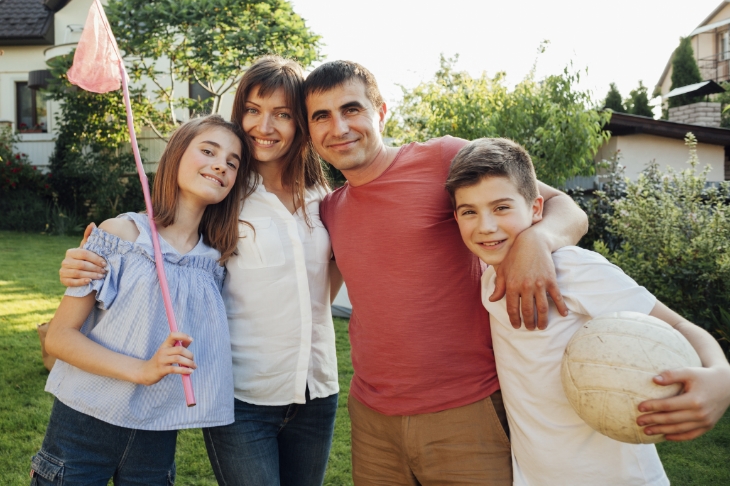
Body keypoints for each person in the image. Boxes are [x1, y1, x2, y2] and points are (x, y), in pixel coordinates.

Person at [59, 56, 341, 486]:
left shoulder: (325, 198)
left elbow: (332, 269)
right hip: (245, 390)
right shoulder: (225, 197)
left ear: (299, 121)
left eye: (282, 114)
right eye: (253, 109)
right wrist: (86, 259)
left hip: (317, 386)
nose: (265, 126)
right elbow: (162, 238)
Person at [302, 61, 588, 484]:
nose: (339, 127)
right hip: (372, 419)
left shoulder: (442, 158)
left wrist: (536, 241)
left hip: (466, 411)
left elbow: (566, 207)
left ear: (380, 113)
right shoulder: (328, 209)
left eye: (351, 109)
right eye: (321, 116)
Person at [446, 137, 730, 485]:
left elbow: (678, 325)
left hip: (618, 477)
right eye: (469, 212)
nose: (486, 226)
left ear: (536, 208)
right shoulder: (488, 281)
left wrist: (721, 374)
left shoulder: (571, 268)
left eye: (502, 208)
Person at [32, 115, 250, 485]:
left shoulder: (216, 262)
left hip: (157, 433)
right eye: (209, 151)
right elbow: (58, 337)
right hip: (83, 422)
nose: (220, 165)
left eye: (232, 162)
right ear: (177, 154)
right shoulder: (120, 234)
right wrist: (142, 370)